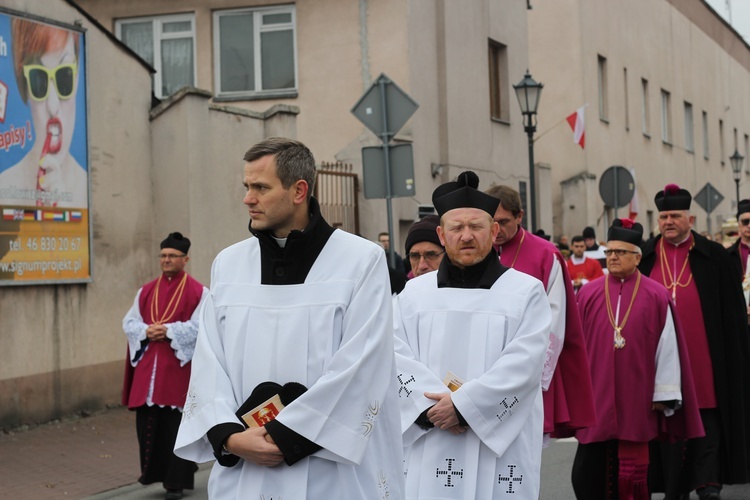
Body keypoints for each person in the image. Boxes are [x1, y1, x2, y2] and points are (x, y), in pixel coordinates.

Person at [174, 137, 404, 499]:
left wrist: (283, 438)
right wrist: (228, 436)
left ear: (299, 191)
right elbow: (208, 362)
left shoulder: (360, 261)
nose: (248, 198)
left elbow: (363, 364)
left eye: (260, 187)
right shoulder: (229, 264)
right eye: (247, 187)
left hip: (332, 474)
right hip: (245, 468)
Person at [394, 171, 551, 498]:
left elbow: (525, 365)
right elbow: (393, 357)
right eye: (456, 228)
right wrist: (434, 410)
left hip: (499, 445)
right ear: (441, 234)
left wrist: (464, 407)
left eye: (476, 227)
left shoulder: (526, 293)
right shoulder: (413, 294)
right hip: (431, 432)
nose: (466, 236)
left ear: (494, 231)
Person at [572, 218, 703, 500]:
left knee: (631, 477)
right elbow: (577, 345)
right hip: (598, 393)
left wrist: (664, 393)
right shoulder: (589, 292)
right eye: (609, 252)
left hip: (639, 395)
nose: (613, 257)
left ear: (637, 257)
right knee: (586, 475)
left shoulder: (657, 295)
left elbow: (668, 347)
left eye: (620, 252)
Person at [640, 184, 750, 500]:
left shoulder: (713, 255)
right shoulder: (646, 256)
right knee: (670, 425)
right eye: (663, 216)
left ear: (690, 217)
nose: (668, 221)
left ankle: (709, 484)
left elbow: (733, 313)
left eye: (675, 215)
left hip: (706, 356)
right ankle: (675, 486)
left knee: (709, 418)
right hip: (661, 360)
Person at [484, 184, 596, 440]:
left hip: (528, 367)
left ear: (520, 216)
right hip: (485, 364)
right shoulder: (478, 251)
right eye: (491, 222)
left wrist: (534, 374)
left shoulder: (545, 255)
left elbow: (554, 320)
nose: (497, 230)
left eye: (504, 221)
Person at [122, 232, 208, 500]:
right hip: (149, 373)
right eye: (162, 255)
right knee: (149, 426)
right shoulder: (146, 291)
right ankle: (155, 474)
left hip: (178, 374)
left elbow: (201, 326)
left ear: (185, 259)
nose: (166, 260)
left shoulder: (199, 292)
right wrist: (147, 331)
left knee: (175, 428)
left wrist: (168, 331)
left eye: (172, 256)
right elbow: (129, 322)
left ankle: (176, 483)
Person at [0, 19, 87, 207]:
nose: (53, 106)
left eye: (65, 76)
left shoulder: (88, 193)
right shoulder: (3, 189)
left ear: (78, 75)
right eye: (38, 79)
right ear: (25, 87)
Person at [727, 199, 750, 311]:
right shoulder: (728, 255)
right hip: (738, 313)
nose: (749, 225)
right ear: (739, 224)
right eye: (746, 221)